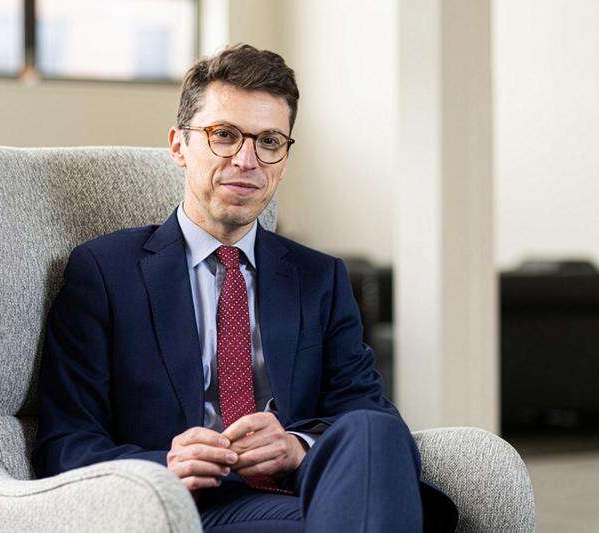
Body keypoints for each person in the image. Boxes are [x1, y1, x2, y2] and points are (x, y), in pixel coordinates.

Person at [33, 43, 458, 532]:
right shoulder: (106, 272)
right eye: (224, 135)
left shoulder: (320, 277)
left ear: (284, 158)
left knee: (369, 427)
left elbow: (375, 419)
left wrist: (297, 447)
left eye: (269, 141)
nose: (246, 159)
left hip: (310, 489)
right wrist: (165, 465)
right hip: (195, 506)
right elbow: (65, 443)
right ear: (178, 146)